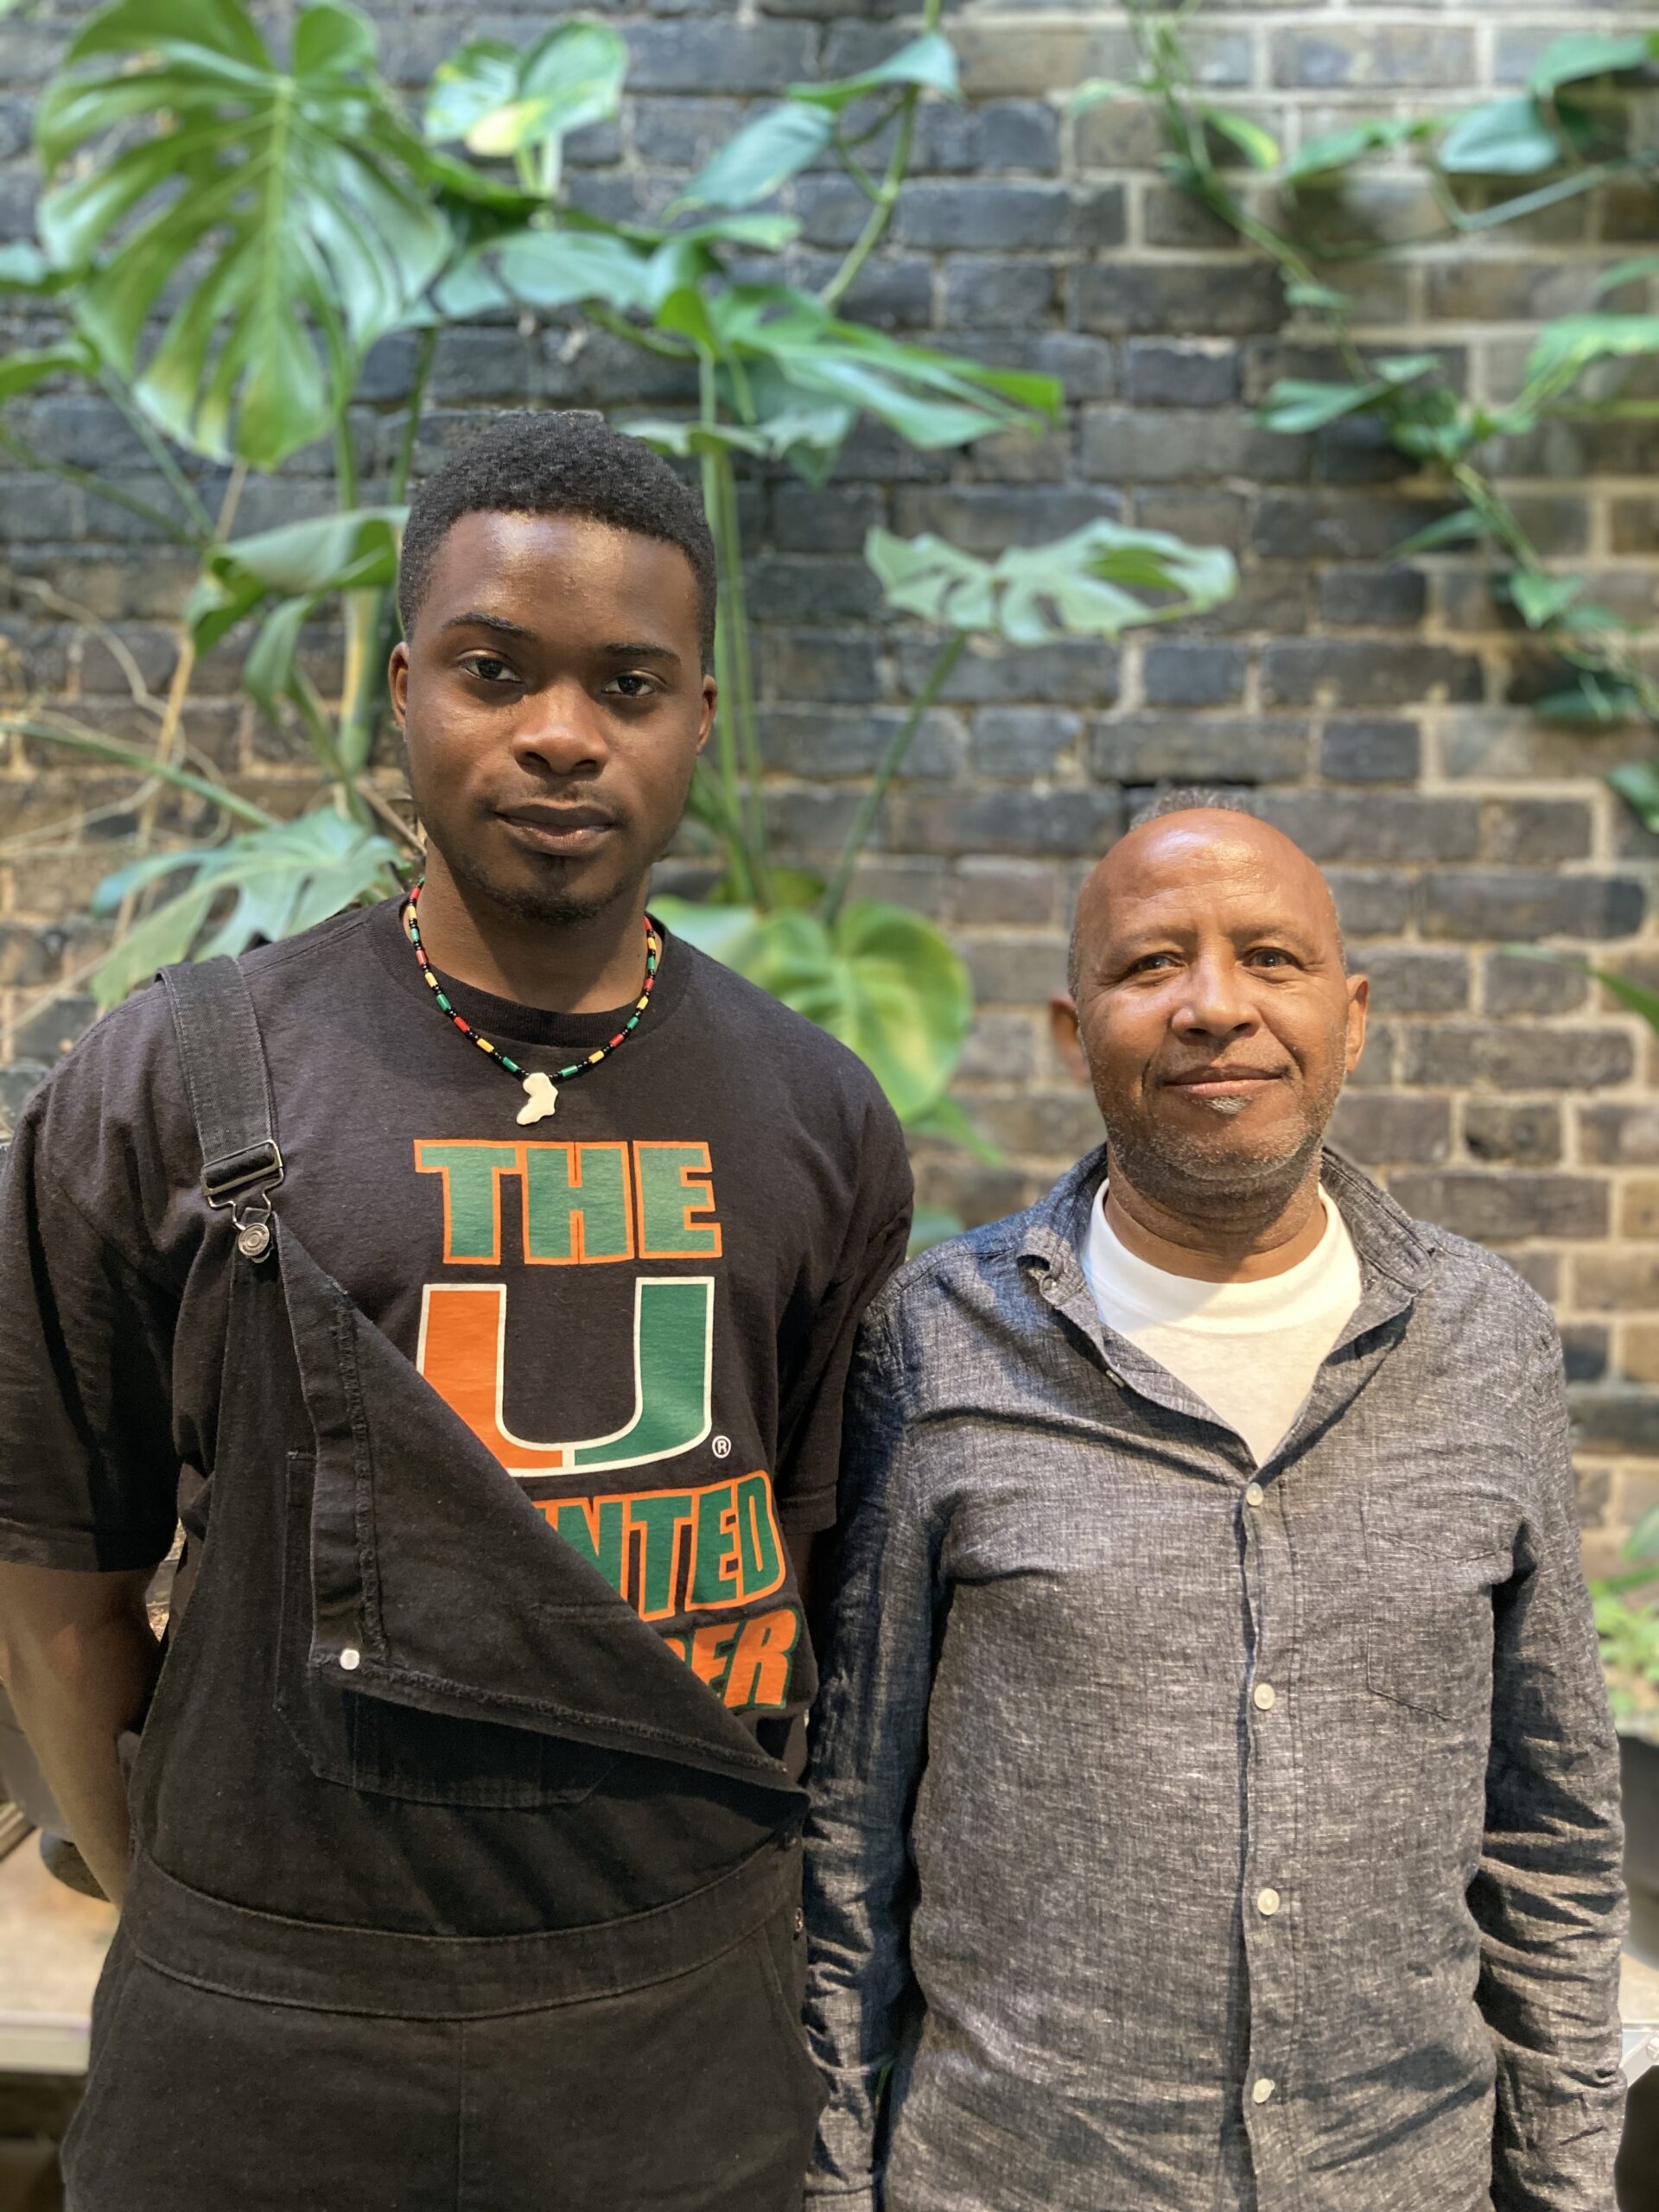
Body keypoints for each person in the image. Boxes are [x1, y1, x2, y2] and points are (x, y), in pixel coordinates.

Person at [0, 410, 911, 2212]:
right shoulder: (173, 1081)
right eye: (497, 671)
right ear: (408, 687)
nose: (561, 731)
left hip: (676, 2036)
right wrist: (208, 1927)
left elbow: (806, 1585)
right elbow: (54, 1602)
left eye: (626, 684)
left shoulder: (816, 1112)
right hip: (260, 2052)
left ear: (699, 719)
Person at [803, 797, 1626, 2212]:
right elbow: (848, 1830)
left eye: (1271, 959)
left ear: (1352, 1019)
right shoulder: (939, 1344)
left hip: (1400, 2178)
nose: (1214, 1007)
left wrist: (1564, 2185)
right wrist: (830, 2181)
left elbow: (1550, 1826)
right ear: (1073, 1033)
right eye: (1151, 965)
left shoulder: (1486, 1340)